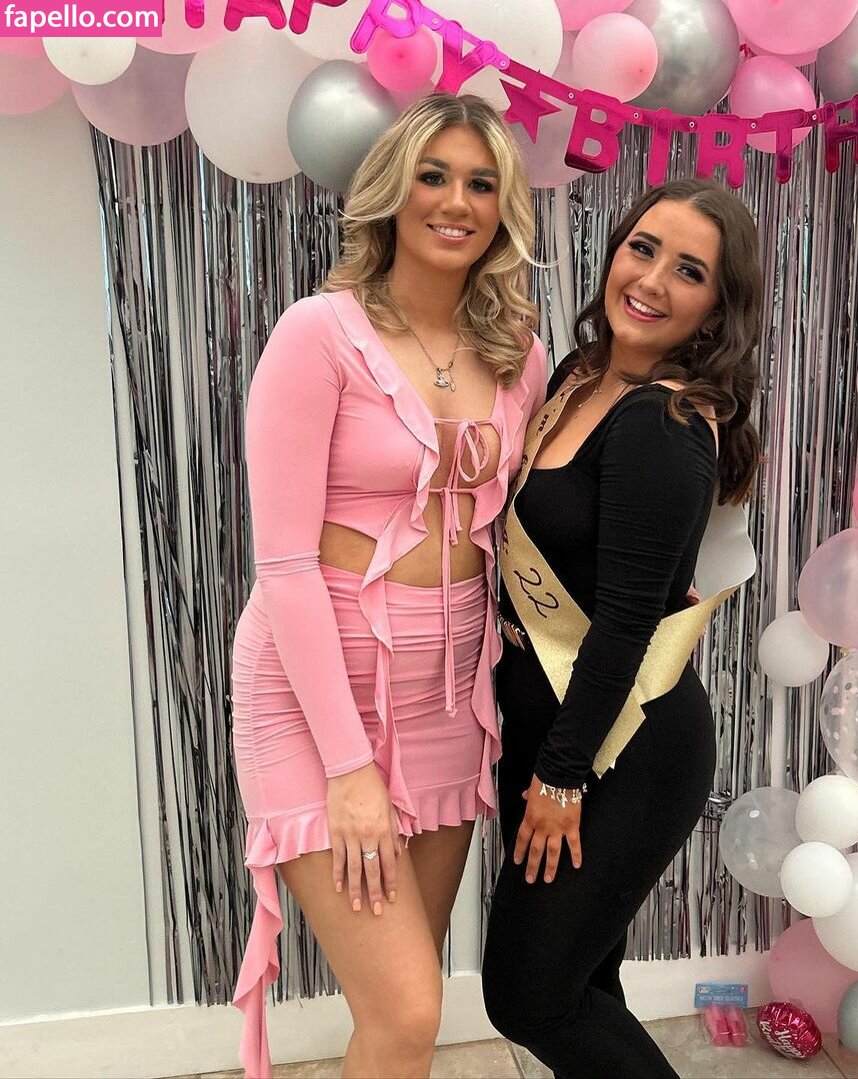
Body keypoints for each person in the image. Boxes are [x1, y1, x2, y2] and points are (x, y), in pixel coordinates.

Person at [229, 93, 547, 1079]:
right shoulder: (319, 334)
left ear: (503, 208)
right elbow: (284, 564)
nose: (457, 201)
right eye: (433, 176)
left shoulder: (520, 356)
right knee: (408, 1010)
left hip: (448, 695)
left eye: (481, 183)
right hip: (312, 688)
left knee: (397, 1011)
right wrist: (348, 767)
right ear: (392, 193)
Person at [482, 178, 762, 1078]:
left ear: (717, 307)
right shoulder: (578, 376)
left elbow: (628, 623)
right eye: (643, 248)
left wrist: (561, 773)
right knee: (582, 984)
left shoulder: (663, 423)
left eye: (689, 270)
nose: (651, 279)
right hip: (549, 720)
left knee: (529, 995)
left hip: (623, 743)